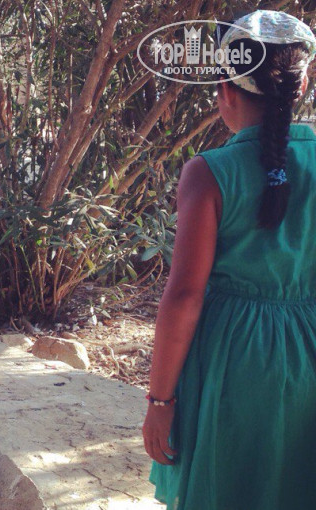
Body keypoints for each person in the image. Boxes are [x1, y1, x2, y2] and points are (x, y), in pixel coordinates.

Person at [142, 10, 316, 510]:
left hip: (232, 359)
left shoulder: (209, 173)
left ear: (225, 89)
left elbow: (184, 296)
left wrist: (160, 400)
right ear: (301, 86)